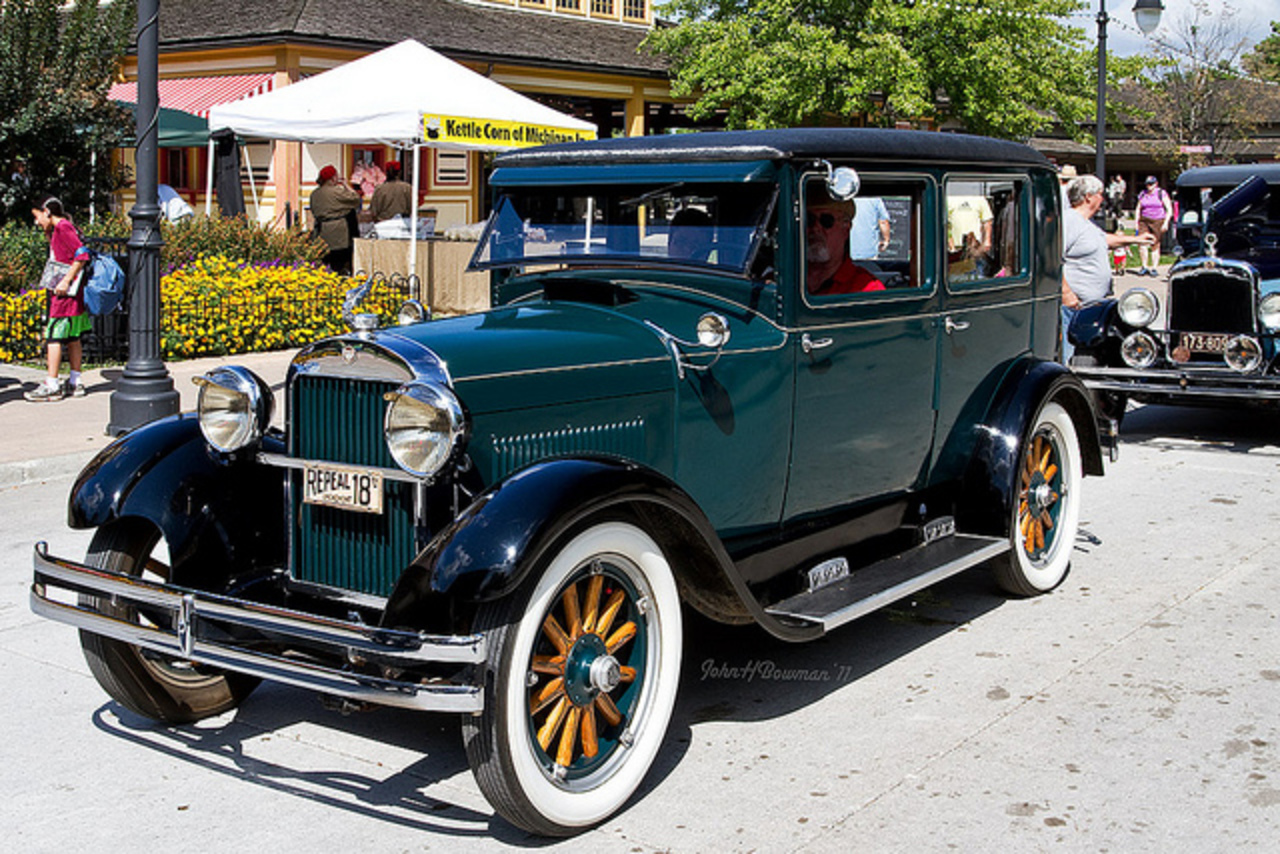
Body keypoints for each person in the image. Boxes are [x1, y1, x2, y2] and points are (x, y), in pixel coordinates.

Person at [1061, 175, 1154, 362]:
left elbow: (1104, 240)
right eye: (1100, 194)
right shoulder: (1069, 220)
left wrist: (1135, 240)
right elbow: (1052, 258)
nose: (1102, 199)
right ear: (1088, 197)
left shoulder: (1086, 224)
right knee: (1072, 358)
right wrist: (1067, 293)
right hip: (1074, 307)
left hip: (1091, 305)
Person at [25, 196, 92, 402]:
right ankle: (75, 381)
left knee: (54, 335)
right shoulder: (61, 228)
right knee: (73, 336)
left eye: (37, 217)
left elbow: (82, 255)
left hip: (64, 293)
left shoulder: (63, 227)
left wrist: (65, 281)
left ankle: (52, 384)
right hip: (73, 292)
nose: (37, 222)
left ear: (47, 211)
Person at [806, 187, 884, 296]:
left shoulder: (867, 289)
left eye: (826, 220)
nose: (816, 228)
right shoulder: (783, 280)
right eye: (809, 219)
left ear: (846, 229)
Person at [310, 164, 361, 274]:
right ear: (333, 178)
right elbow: (356, 199)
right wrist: (346, 186)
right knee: (339, 263)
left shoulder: (315, 194)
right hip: (338, 233)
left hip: (321, 232)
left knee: (325, 264)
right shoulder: (336, 191)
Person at [1134, 175, 1172, 277]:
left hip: (1158, 220)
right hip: (1144, 220)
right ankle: (1144, 266)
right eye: (1147, 184)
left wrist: (1166, 222)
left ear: (1156, 184)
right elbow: (1138, 208)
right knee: (1142, 242)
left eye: (1151, 184)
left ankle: (1154, 268)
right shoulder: (1143, 194)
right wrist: (1136, 222)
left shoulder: (1161, 193)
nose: (1149, 186)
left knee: (1155, 244)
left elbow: (1169, 209)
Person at [848, 195, 890, 259]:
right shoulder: (875, 199)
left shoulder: (844, 196)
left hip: (846, 254)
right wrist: (886, 240)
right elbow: (883, 222)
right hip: (869, 254)